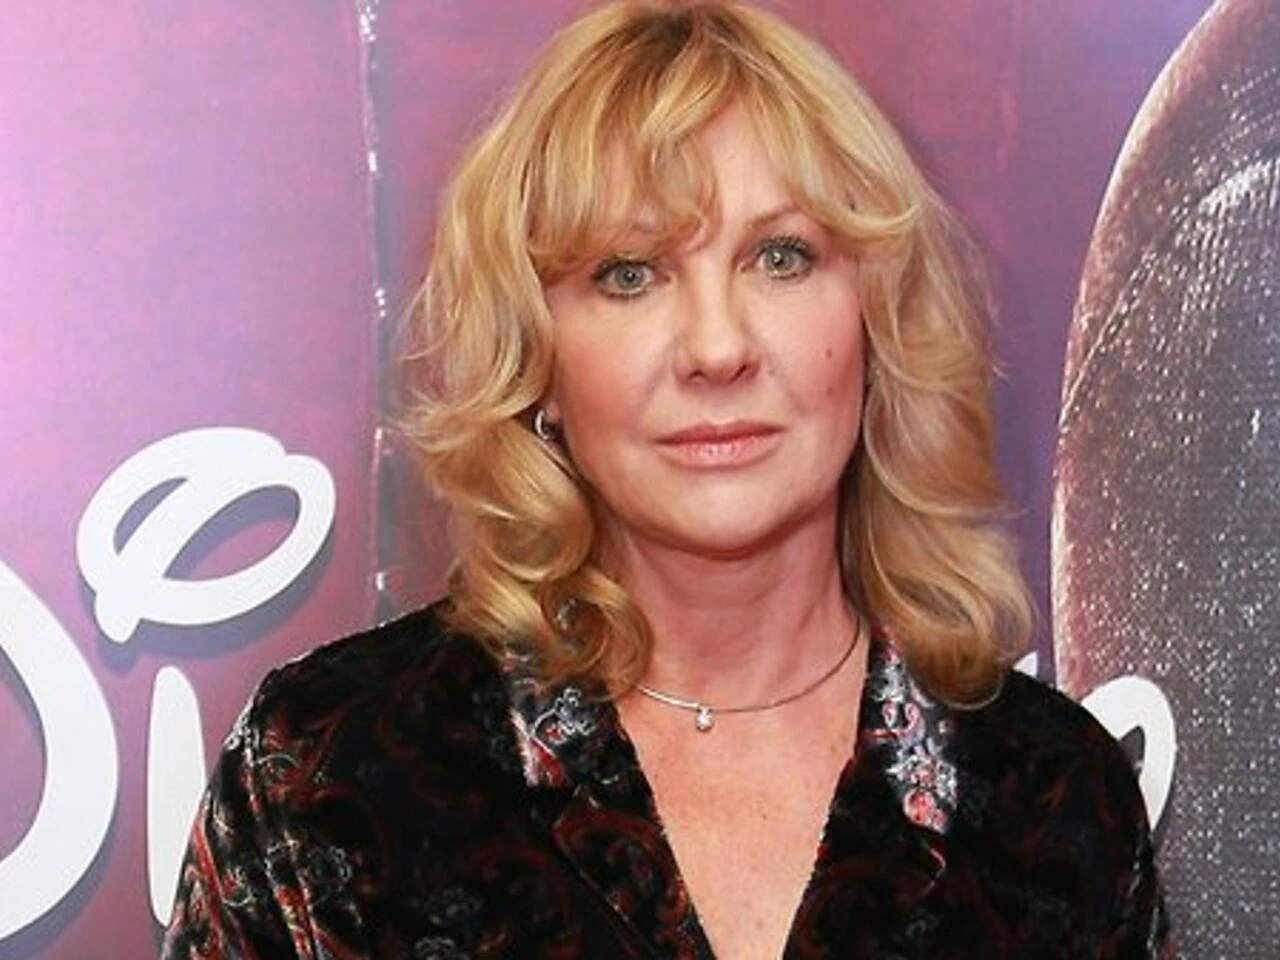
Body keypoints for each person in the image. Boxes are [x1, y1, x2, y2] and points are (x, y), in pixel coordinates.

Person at [162, 2, 1169, 958]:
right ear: (536, 362)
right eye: (629, 273)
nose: (717, 348)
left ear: (876, 326)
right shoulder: (327, 779)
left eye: (780, 257)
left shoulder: (1051, 799)